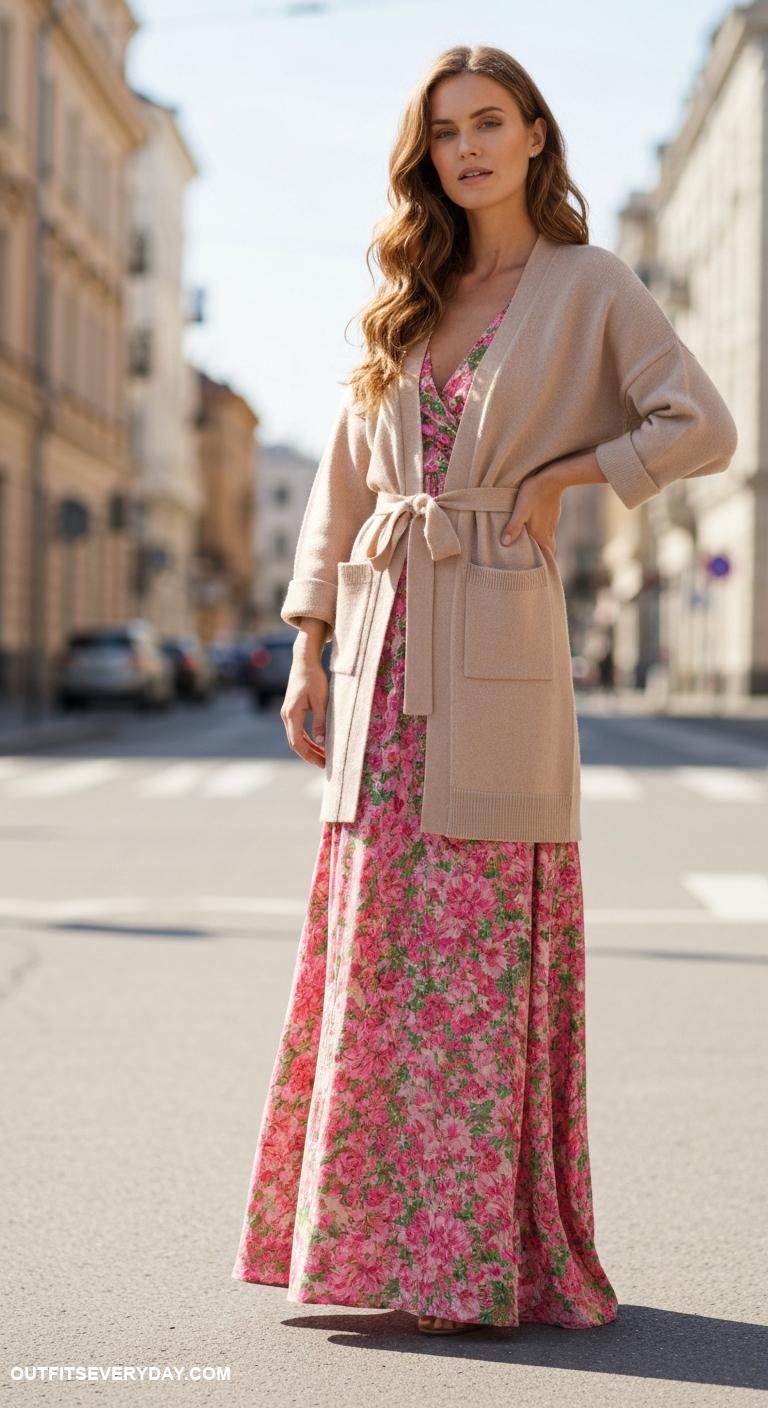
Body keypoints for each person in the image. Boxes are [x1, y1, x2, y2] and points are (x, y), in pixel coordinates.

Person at [231, 45, 737, 1336]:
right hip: (384, 646)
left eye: (489, 123)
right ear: (428, 156)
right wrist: (307, 642)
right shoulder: (404, 297)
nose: (467, 149)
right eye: (445, 131)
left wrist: (574, 475)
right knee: (380, 950)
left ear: (533, 135)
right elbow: (346, 487)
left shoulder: (589, 283)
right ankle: (366, 1250)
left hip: (501, 644)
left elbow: (704, 425)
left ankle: (470, 1260)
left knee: (475, 955)